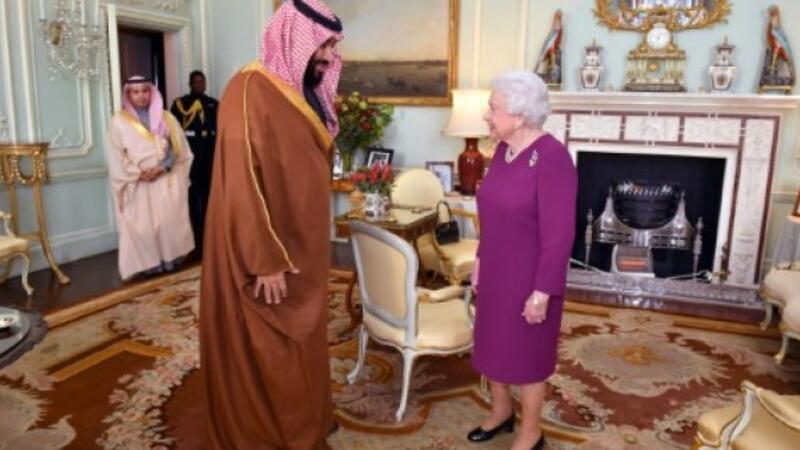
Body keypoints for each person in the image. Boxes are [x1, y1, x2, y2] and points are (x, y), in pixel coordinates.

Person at [198, 0, 343, 448]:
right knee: (270, 346)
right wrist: (265, 259)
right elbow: (241, 179)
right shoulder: (248, 89)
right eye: (323, 45)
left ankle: (309, 420)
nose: (329, 56)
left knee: (304, 340)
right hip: (268, 250)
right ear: (294, 37)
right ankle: (272, 435)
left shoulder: (299, 92)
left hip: (303, 243)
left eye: (333, 46)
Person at [468, 71, 577, 450]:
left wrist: (542, 292)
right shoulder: (504, 150)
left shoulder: (553, 158)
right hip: (497, 270)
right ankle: (501, 411)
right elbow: (492, 214)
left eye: (493, 108)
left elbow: (560, 234)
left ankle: (531, 431)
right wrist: (480, 259)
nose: (487, 115)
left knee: (529, 355)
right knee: (493, 345)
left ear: (519, 115)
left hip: (531, 278)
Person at [106, 76, 194, 281]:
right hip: (138, 182)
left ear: (151, 92)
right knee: (144, 225)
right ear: (128, 94)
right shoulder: (119, 121)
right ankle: (149, 265)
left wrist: (163, 167)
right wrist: (138, 174)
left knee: (167, 221)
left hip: (164, 177)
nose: (141, 96)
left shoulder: (167, 117)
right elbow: (115, 155)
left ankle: (170, 260)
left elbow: (178, 146)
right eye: (135, 92)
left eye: (145, 91)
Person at [170, 71, 219, 255]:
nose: (200, 84)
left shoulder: (213, 103)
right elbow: (173, 131)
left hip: (208, 154)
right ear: (190, 83)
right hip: (190, 155)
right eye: (196, 81)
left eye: (202, 81)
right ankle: (194, 229)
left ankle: (208, 227)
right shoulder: (180, 104)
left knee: (208, 192)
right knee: (192, 193)